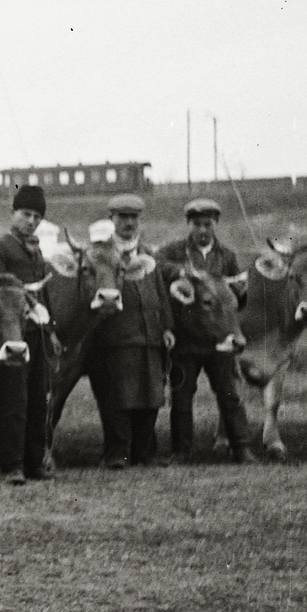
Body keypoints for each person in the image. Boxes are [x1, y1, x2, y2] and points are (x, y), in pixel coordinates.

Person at [156, 198, 254, 464]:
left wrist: (241, 293)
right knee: (182, 396)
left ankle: (242, 447)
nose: (202, 230)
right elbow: (157, 264)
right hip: (187, 341)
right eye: (197, 224)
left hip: (220, 342)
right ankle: (181, 451)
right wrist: (180, 271)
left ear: (215, 225)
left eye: (207, 224)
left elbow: (236, 299)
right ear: (189, 224)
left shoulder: (227, 256)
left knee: (230, 394)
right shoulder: (175, 251)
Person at [89, 194, 175, 468]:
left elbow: (160, 292)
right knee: (119, 398)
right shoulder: (101, 253)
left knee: (150, 398)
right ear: (112, 219)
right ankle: (117, 454)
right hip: (118, 337)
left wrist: (167, 327)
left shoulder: (148, 254)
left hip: (150, 337)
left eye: (133, 218)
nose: (128, 223)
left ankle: (144, 453)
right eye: (122, 217)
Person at [0, 184, 54, 484]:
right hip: (9, 336)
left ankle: (34, 463)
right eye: (26, 214)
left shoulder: (35, 251)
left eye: (38, 216)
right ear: (13, 213)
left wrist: (50, 329)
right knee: (12, 400)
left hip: (35, 333)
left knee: (38, 399)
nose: (32, 221)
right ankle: (11, 465)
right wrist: (28, 298)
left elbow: (44, 295)